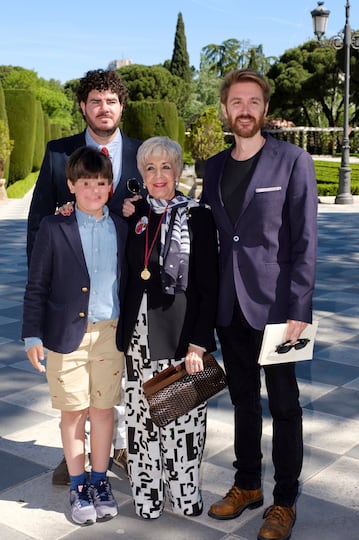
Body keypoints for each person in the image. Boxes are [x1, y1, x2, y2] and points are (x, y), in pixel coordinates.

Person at [201, 69, 318, 540]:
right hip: (230, 308)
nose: (244, 110)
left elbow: (305, 240)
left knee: (285, 405)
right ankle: (247, 484)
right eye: (236, 102)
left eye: (253, 101)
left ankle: (284, 501)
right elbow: (208, 234)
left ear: (264, 109)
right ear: (226, 110)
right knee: (243, 401)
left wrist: (300, 308)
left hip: (279, 309)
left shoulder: (293, 160)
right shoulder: (211, 167)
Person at [26, 68, 143, 483]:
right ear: (83, 106)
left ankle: (125, 449)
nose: (103, 108)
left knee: (123, 378)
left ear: (121, 106)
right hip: (73, 295)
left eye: (111, 100)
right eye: (95, 100)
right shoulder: (60, 154)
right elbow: (39, 221)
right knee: (79, 385)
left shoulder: (142, 152)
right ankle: (79, 458)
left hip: (128, 288)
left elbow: (160, 207)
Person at [22, 147, 128, 525]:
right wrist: (32, 334)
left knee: (103, 412)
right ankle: (78, 484)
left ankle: (100, 481)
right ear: (71, 185)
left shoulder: (121, 226)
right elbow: (37, 285)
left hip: (110, 335)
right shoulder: (55, 227)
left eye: (101, 183)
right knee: (73, 413)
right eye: (86, 183)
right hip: (66, 335)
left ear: (110, 186)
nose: (94, 190)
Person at [122, 136, 219, 519]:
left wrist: (199, 342)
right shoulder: (133, 215)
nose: (159, 175)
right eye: (150, 168)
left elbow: (209, 286)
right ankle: (146, 496)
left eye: (166, 167)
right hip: (136, 335)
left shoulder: (199, 215)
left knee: (183, 420)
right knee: (141, 421)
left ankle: (184, 493)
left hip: (180, 336)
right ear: (141, 174)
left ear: (178, 171)